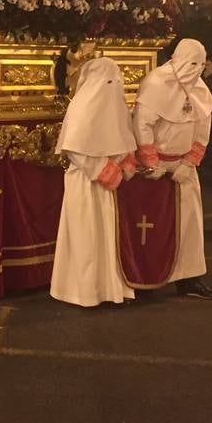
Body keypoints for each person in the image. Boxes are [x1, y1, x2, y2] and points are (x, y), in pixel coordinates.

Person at [133, 39, 212, 299]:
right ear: (179, 59)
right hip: (155, 168)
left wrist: (189, 162)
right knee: (152, 225)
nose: (198, 69)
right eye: (193, 63)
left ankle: (189, 278)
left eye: (202, 64)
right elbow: (142, 125)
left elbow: (203, 128)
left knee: (190, 225)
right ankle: (146, 278)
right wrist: (151, 162)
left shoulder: (200, 88)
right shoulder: (156, 83)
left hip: (184, 168)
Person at [50, 58, 137, 307]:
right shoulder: (82, 107)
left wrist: (123, 162)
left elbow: (121, 137)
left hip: (109, 188)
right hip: (85, 183)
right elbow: (75, 149)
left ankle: (111, 288)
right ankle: (83, 292)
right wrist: (103, 171)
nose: (113, 86)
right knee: (86, 238)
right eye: (108, 80)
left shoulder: (115, 105)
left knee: (109, 239)